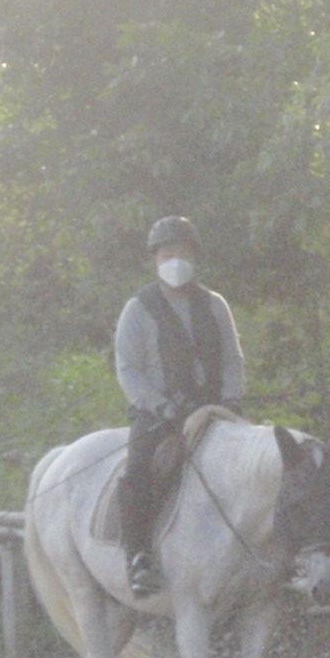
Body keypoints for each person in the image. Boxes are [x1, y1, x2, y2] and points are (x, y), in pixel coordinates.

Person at [113, 215, 247, 597]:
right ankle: (139, 557)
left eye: (183, 253)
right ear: (155, 260)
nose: (176, 261)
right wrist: (160, 406)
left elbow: (232, 360)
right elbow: (128, 369)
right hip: (161, 417)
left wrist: (232, 399)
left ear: (195, 257)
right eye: (167, 254)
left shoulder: (215, 305)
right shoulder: (138, 308)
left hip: (215, 411)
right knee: (139, 471)